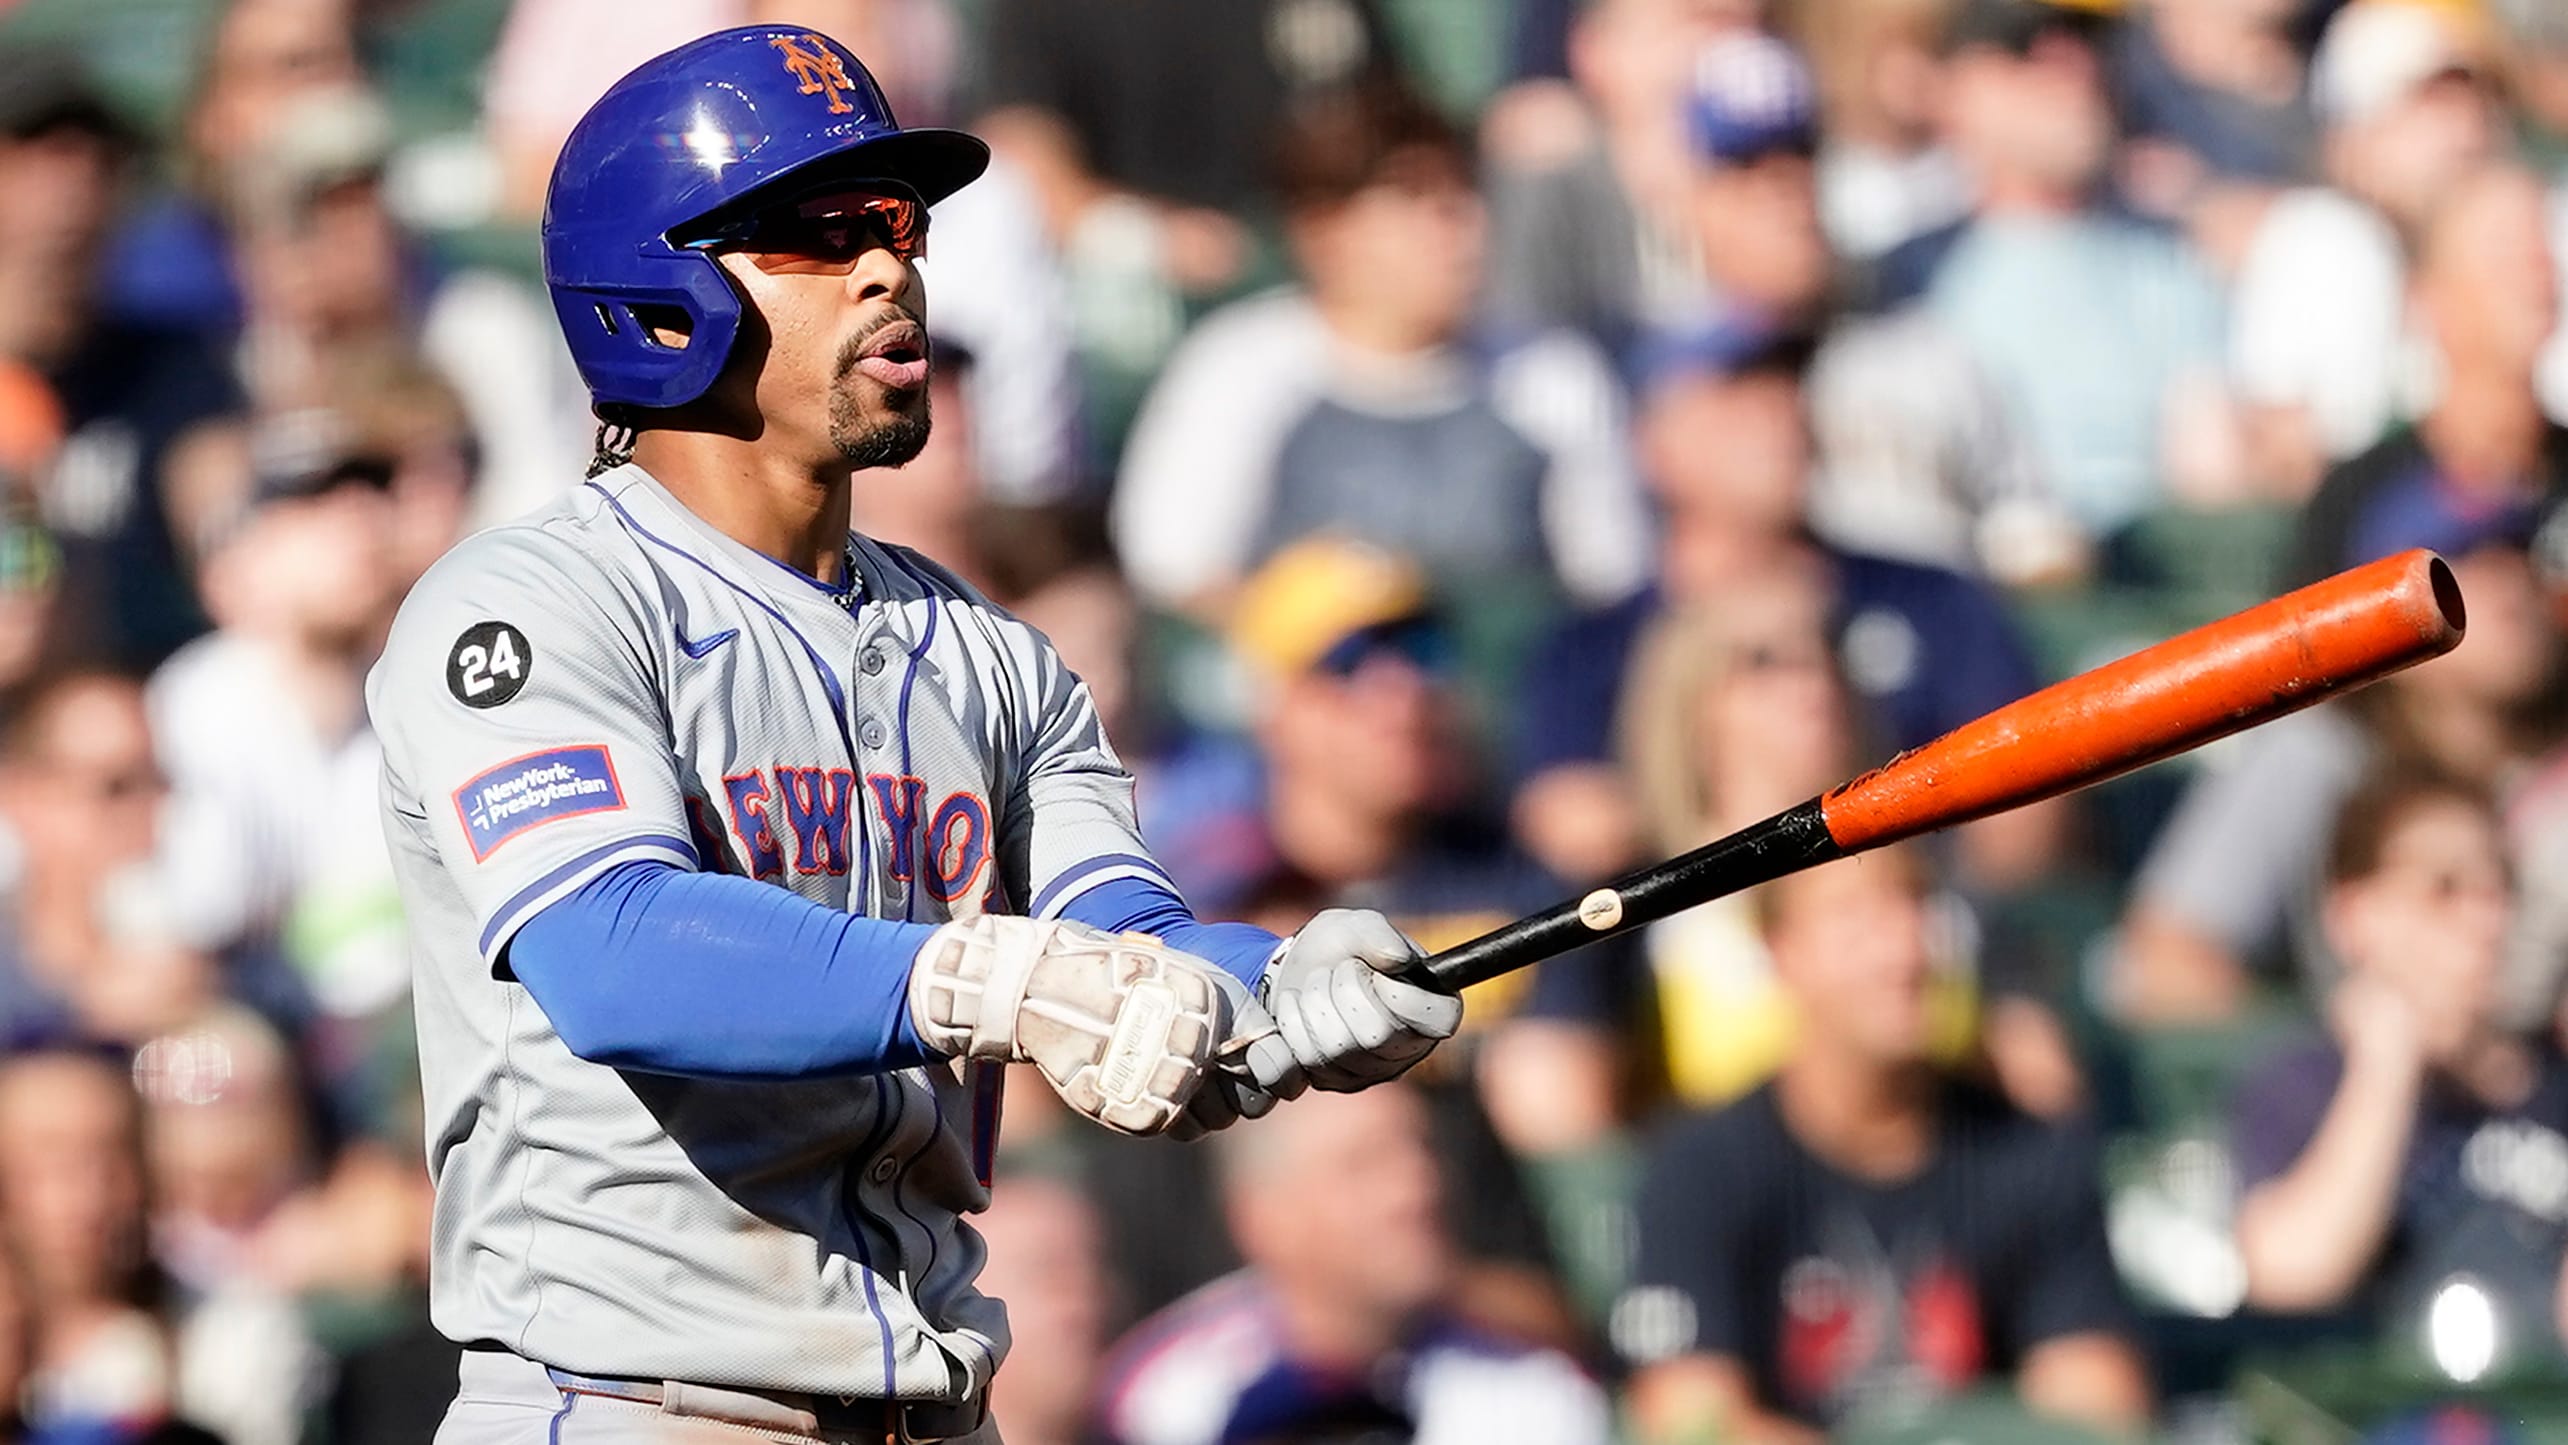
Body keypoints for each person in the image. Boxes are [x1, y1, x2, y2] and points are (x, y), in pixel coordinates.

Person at [371, 29, 1461, 1444]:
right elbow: (609, 950)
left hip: (934, 1403)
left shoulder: (995, 657)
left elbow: (1121, 936)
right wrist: (991, 980)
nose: (894, 268)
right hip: (636, 1400)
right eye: (822, 234)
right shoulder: (532, 603)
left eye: (898, 224)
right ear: (657, 291)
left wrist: (1286, 982)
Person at [1615, 848, 2149, 1442]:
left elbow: (2095, 1410)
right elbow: (1688, 1417)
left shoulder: (2028, 1150)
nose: (1903, 951)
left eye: (1916, 907)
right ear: (1779, 950)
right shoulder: (1703, 1169)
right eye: (1855, 920)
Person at [1112, 81, 1650, 617]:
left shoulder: (1550, 373)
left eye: (1466, 194)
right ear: (1322, 230)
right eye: (1417, 199)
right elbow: (1175, 577)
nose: (1462, 228)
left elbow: (1608, 582)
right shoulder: (1238, 367)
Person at [2230, 771, 2568, 1359]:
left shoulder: (2554, 1076)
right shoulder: (2305, 1080)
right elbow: (2290, 1278)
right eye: (2444, 889)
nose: (2487, 920)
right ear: (2353, 914)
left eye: (2501, 886)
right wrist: (2386, 1065)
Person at [1092, 1082, 1612, 1445]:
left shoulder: (1530, 1384)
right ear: (1264, 1215)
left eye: (1424, 1151)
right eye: (1364, 1165)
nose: (1417, 1188)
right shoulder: (1165, 1397)